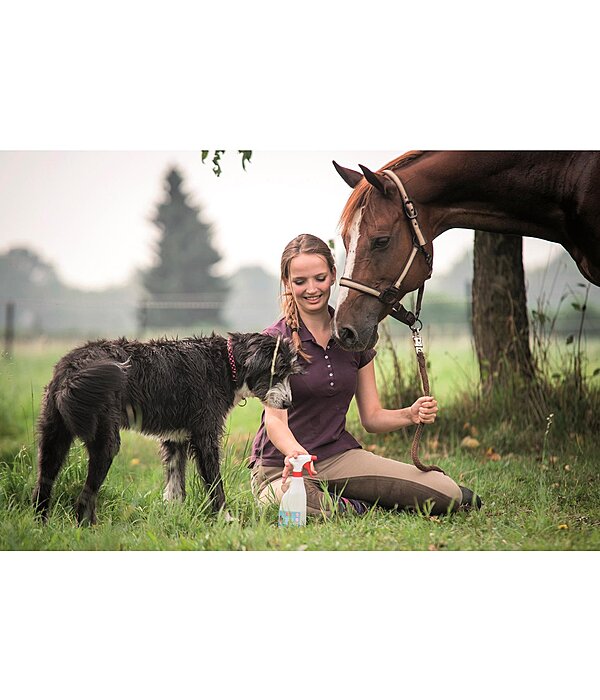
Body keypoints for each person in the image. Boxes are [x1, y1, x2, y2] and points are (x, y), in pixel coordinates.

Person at [249, 234, 481, 517]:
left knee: (446, 492)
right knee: (289, 502)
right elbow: (275, 421)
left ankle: (348, 503)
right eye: (300, 281)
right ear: (287, 282)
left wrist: (410, 413)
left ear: (334, 275)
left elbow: (371, 417)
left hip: (338, 457)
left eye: (319, 278)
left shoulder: (353, 335)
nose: (312, 289)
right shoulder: (274, 342)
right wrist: (296, 454)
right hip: (282, 466)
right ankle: (361, 507)